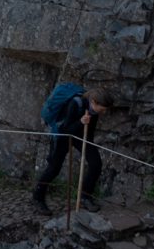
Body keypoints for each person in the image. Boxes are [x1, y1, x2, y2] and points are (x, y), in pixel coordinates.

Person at [33, 85, 108, 214]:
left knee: (96, 163)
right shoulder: (75, 103)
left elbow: (90, 130)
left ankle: (85, 197)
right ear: (94, 102)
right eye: (102, 109)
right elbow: (65, 129)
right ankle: (37, 198)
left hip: (80, 134)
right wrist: (80, 122)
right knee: (54, 168)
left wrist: (88, 144)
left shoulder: (94, 109)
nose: (104, 112)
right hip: (63, 134)